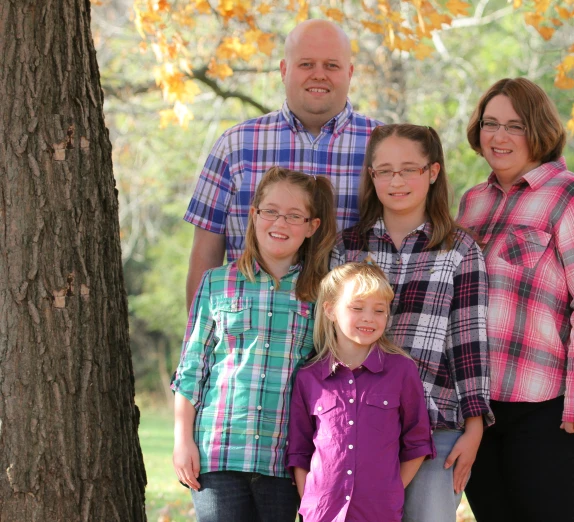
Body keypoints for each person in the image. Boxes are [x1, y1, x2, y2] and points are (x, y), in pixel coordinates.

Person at [456, 77, 574, 521]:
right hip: (481, 411)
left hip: (550, 409)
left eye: (515, 125)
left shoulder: (572, 195)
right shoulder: (471, 203)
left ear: (539, 131)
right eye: (490, 123)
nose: (499, 136)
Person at [333, 124, 494, 521]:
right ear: (371, 176)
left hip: (435, 424)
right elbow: (328, 339)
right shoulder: (347, 247)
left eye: (409, 169)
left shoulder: (459, 250)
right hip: (357, 426)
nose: (396, 180)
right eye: (384, 170)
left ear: (433, 172)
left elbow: (468, 342)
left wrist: (474, 429)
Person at [171, 167, 337, 521]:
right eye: (271, 211)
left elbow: (326, 380)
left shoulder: (322, 293)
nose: (281, 222)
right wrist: (182, 440)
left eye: (295, 216)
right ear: (254, 215)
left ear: (312, 226)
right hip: (218, 452)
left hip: (284, 459)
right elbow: (191, 370)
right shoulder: (217, 283)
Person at [184, 19, 383, 309]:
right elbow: (205, 254)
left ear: (349, 73)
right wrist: (198, 340)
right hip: (250, 335)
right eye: (306, 64)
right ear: (283, 70)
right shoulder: (236, 145)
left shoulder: (382, 147)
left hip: (351, 339)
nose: (319, 75)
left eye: (331, 66)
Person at [286, 262, 435, 522]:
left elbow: (418, 442)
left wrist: (391, 490)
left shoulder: (401, 370)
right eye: (357, 308)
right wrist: (310, 501)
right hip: (321, 513)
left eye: (380, 310)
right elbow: (299, 451)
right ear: (330, 310)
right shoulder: (308, 377)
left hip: (380, 513)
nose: (369, 317)